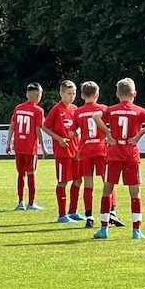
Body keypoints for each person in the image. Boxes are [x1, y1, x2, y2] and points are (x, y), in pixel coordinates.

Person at [94, 78, 145, 239]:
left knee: (107, 190)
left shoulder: (111, 110)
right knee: (135, 193)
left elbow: (96, 116)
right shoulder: (138, 110)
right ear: (134, 94)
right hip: (131, 154)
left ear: (117, 94)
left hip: (114, 153)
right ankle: (136, 231)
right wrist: (139, 135)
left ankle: (104, 229)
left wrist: (108, 133)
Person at [77, 82, 120, 228]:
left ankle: (89, 216)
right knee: (107, 180)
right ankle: (112, 212)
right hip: (101, 149)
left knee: (88, 183)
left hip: (85, 150)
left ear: (82, 95)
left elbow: (71, 133)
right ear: (97, 94)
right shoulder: (103, 109)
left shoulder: (78, 112)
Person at [42, 81, 82, 224]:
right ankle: (62, 215)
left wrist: (79, 144)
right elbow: (45, 127)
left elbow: (79, 128)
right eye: (69, 93)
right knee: (63, 181)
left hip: (75, 151)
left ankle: (73, 211)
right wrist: (59, 139)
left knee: (78, 180)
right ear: (61, 93)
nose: (72, 96)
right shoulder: (57, 109)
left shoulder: (75, 109)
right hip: (63, 152)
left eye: (74, 93)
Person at [6, 83, 46, 210]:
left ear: (27, 94)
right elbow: (38, 129)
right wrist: (43, 146)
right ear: (38, 96)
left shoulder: (18, 108)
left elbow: (12, 126)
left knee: (21, 173)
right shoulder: (38, 110)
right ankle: (31, 203)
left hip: (19, 146)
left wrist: (8, 143)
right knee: (31, 174)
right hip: (30, 147)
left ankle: (20, 202)